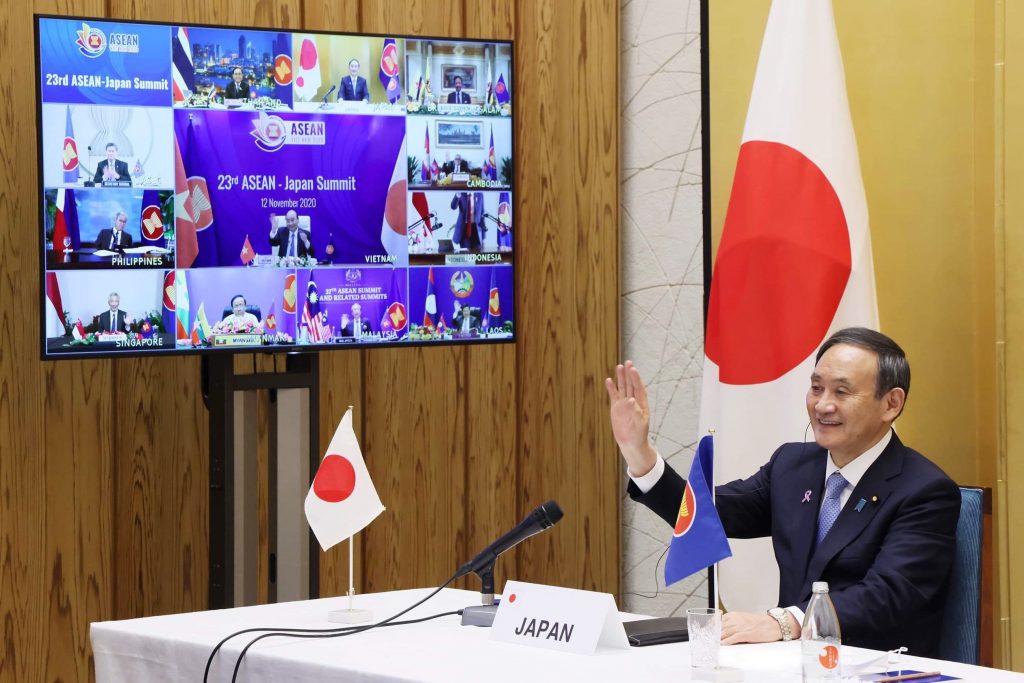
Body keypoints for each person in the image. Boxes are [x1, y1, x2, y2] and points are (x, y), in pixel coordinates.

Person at [605, 327, 959, 658]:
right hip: (788, 664)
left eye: (842, 391)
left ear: (891, 404)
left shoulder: (925, 490)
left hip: (874, 667)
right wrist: (641, 456)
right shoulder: (794, 464)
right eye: (817, 387)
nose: (822, 405)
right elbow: (713, 513)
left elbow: (886, 595)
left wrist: (780, 621)